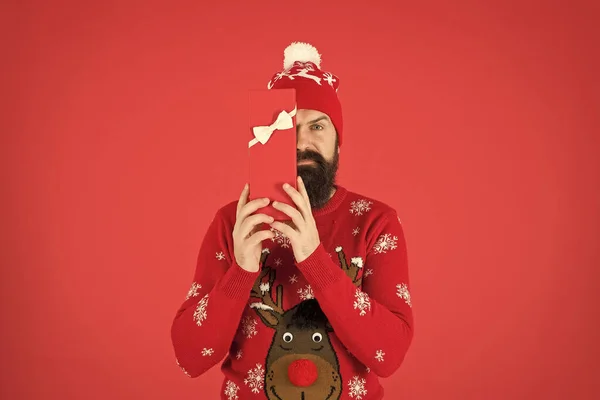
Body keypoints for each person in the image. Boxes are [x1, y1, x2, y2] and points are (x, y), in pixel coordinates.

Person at [170, 41, 414, 400]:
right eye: (289, 128)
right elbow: (189, 357)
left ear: (338, 143)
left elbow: (389, 355)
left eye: (318, 127)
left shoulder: (377, 224)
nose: (302, 142)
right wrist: (240, 272)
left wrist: (315, 261)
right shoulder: (234, 222)